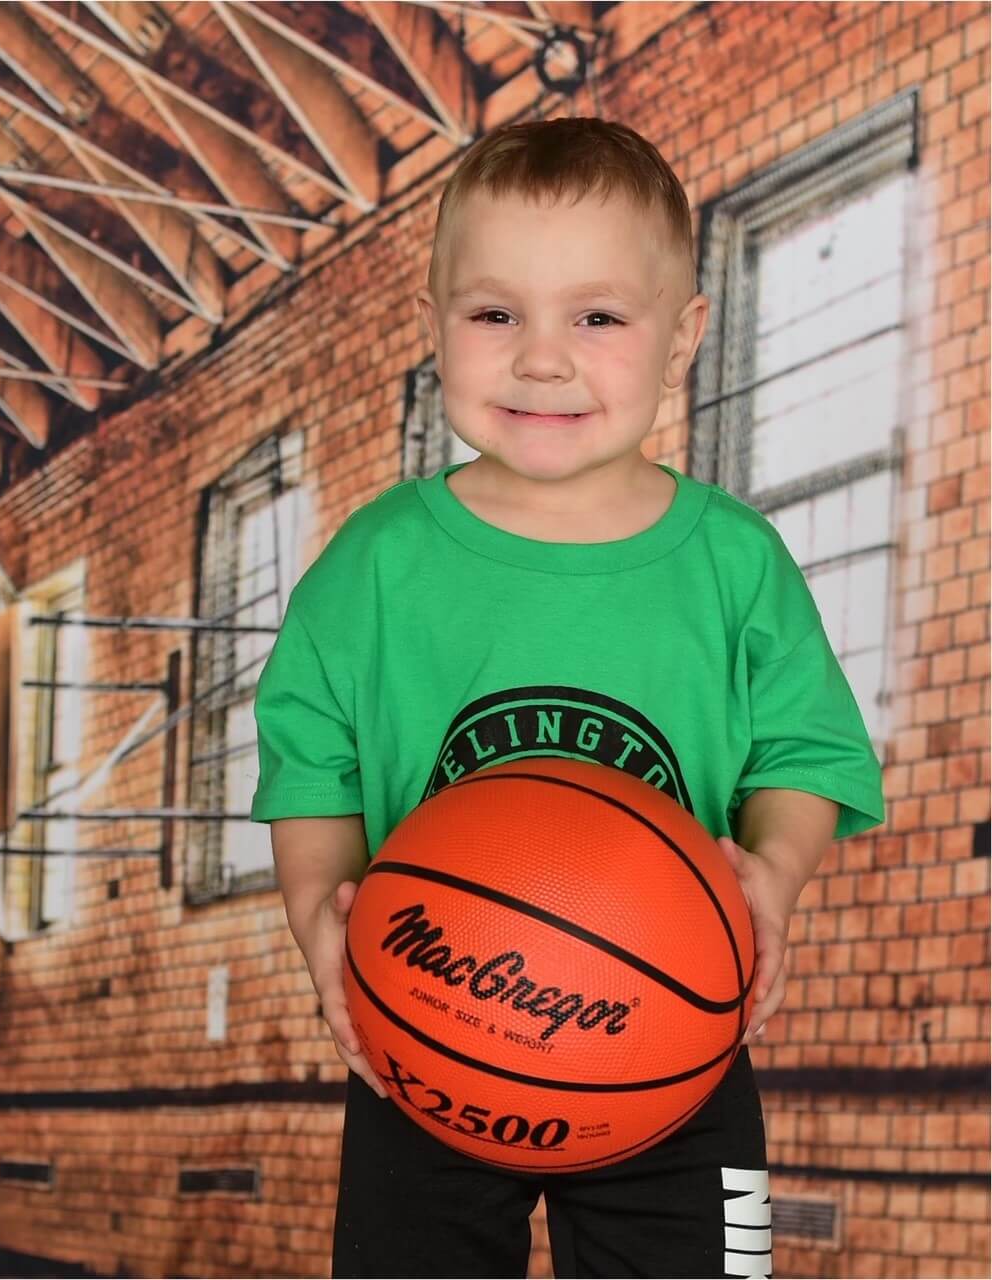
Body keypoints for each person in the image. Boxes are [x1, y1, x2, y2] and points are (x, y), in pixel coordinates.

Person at [251, 117, 885, 1279]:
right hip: (427, 1025)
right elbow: (312, 760)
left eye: (596, 316)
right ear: (434, 324)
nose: (542, 358)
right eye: (495, 314)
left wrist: (771, 879)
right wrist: (315, 924)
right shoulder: (376, 562)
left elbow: (805, 752)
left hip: (676, 1035)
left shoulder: (734, 560)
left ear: (684, 334)